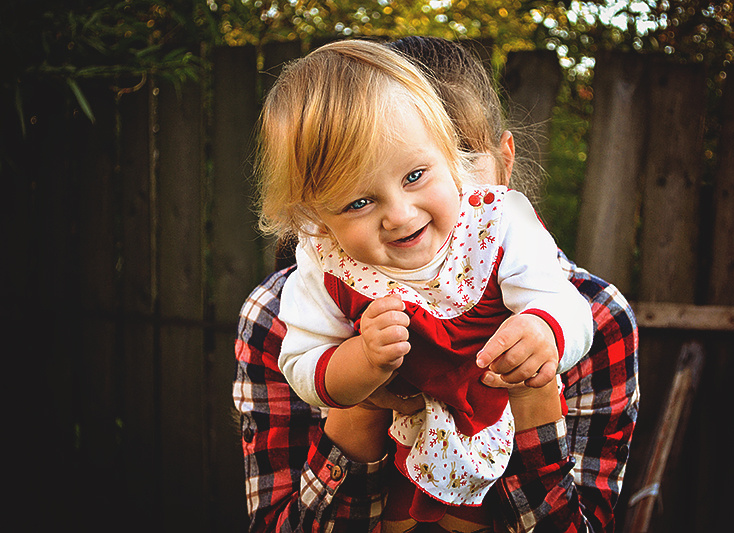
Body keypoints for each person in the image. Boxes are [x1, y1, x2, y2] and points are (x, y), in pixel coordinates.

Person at [233, 36, 639, 533]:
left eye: (421, 172)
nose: (403, 216)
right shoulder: (282, 310)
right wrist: (358, 395)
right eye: (359, 198)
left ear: (504, 161)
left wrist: (539, 367)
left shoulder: (596, 312)